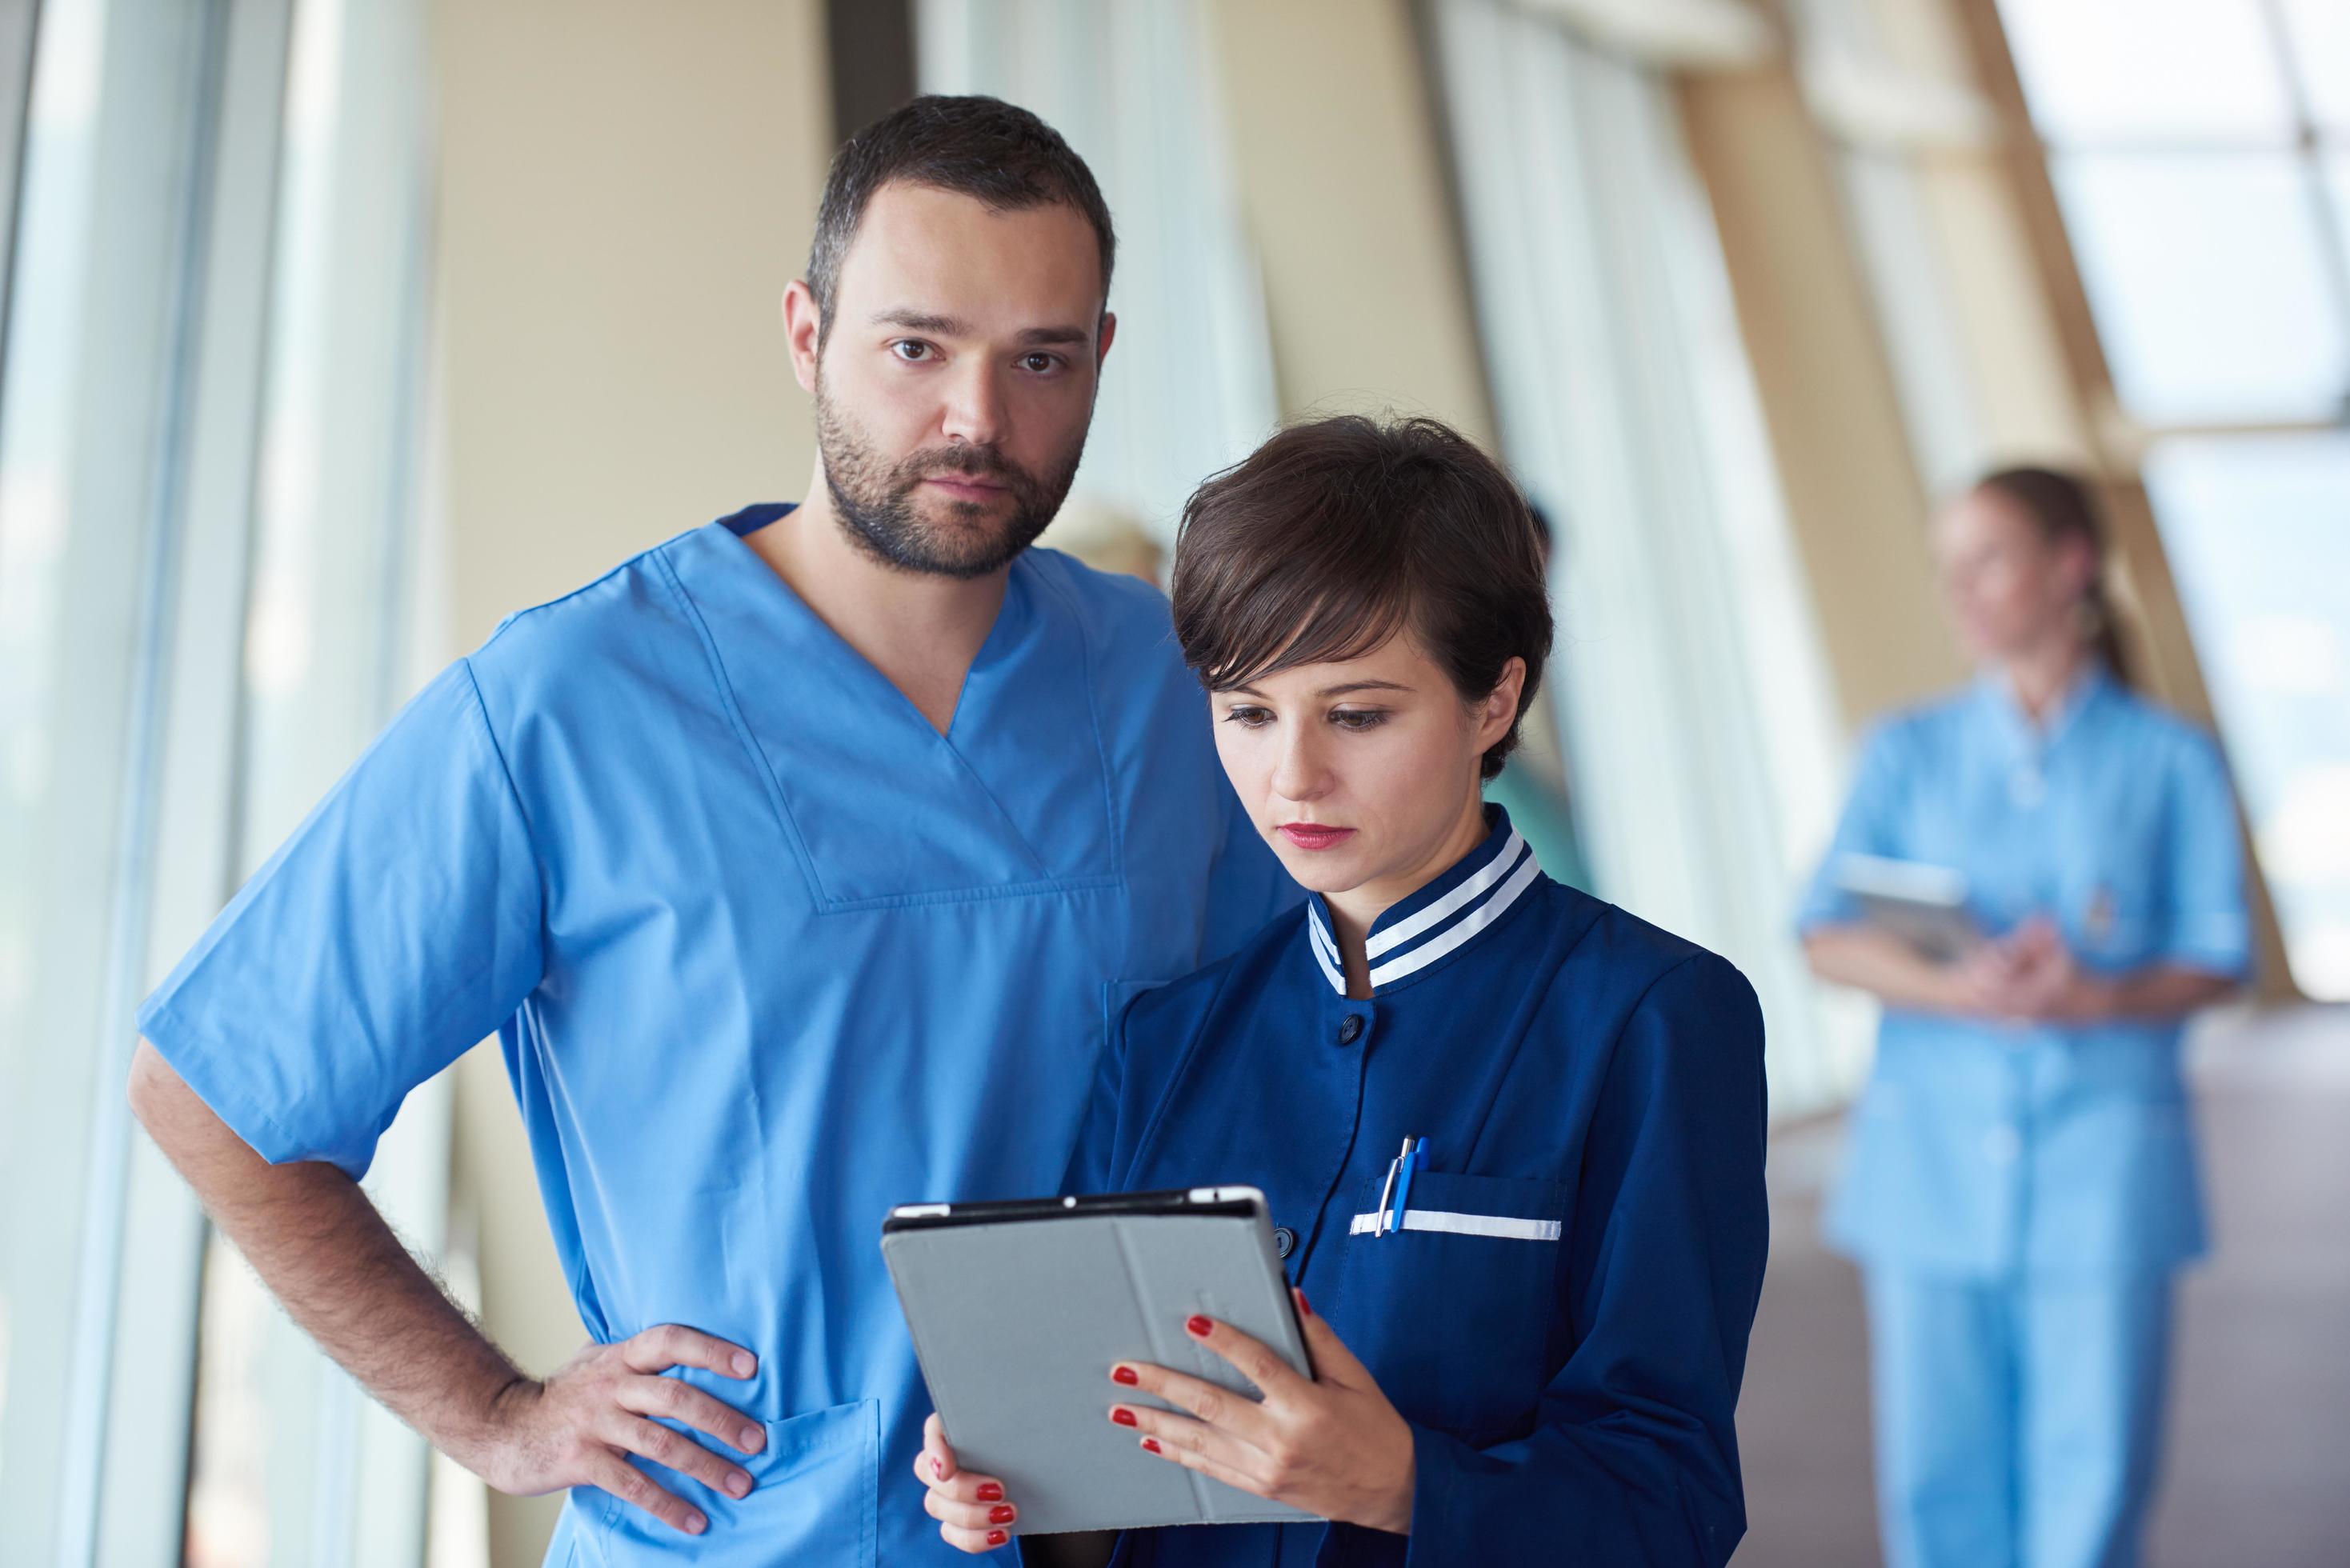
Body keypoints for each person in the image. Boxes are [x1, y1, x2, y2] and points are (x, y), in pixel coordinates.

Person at [127, 96, 1294, 1565]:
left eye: (1038, 360)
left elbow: (1305, 1070)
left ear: (1101, 360)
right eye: (915, 347)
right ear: (807, 334)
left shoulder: (1175, 688)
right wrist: (496, 1415)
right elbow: (217, 1093)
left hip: (1109, 1533)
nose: (976, 421)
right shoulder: (565, 704)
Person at [917, 416, 1772, 1565]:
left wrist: (1409, 1486)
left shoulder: (1651, 1019)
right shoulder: (1163, 1041)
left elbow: (1672, 1498)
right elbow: (1115, 1476)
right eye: (1247, 713)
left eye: (1358, 715)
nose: (1292, 777)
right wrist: (1022, 1490)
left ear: (1492, 701)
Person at [1797, 467, 2251, 1568]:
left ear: (2070, 567)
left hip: (2102, 1165)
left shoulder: (2169, 760)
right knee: (1937, 1477)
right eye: (1946, 562)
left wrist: (2093, 996)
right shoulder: (1905, 751)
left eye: (1986, 558)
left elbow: (2216, 954)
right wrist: (1956, 986)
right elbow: (1822, 931)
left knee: (2090, 1472)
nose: (1958, 587)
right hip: (1929, 1166)